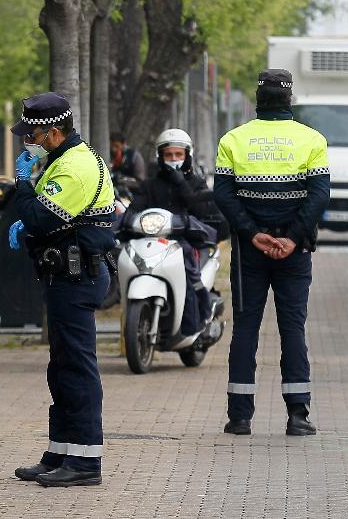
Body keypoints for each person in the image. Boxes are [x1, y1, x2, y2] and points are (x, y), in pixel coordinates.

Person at [211, 69, 330, 437]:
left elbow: (224, 195)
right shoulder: (312, 140)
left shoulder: (233, 139)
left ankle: (240, 417)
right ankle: (298, 416)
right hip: (293, 254)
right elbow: (318, 196)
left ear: (258, 100)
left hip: (250, 252)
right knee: (292, 329)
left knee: (245, 329)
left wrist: (252, 234)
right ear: (289, 99)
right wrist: (293, 238)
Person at [5, 92, 114, 488]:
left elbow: (37, 217)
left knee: (77, 370)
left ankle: (86, 462)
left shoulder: (75, 167)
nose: (26, 141)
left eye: (31, 134)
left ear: (52, 132)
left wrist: (22, 182)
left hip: (76, 277)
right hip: (65, 275)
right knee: (61, 368)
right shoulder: (63, 159)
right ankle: (61, 451)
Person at [126, 128, 227, 348]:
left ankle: (196, 317)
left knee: (188, 268)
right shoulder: (150, 184)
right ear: (160, 157)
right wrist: (124, 222)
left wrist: (182, 183)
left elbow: (199, 209)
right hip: (155, 242)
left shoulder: (196, 183)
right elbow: (135, 208)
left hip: (187, 241)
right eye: (169, 155)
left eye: (178, 155)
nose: (173, 159)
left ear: (187, 155)